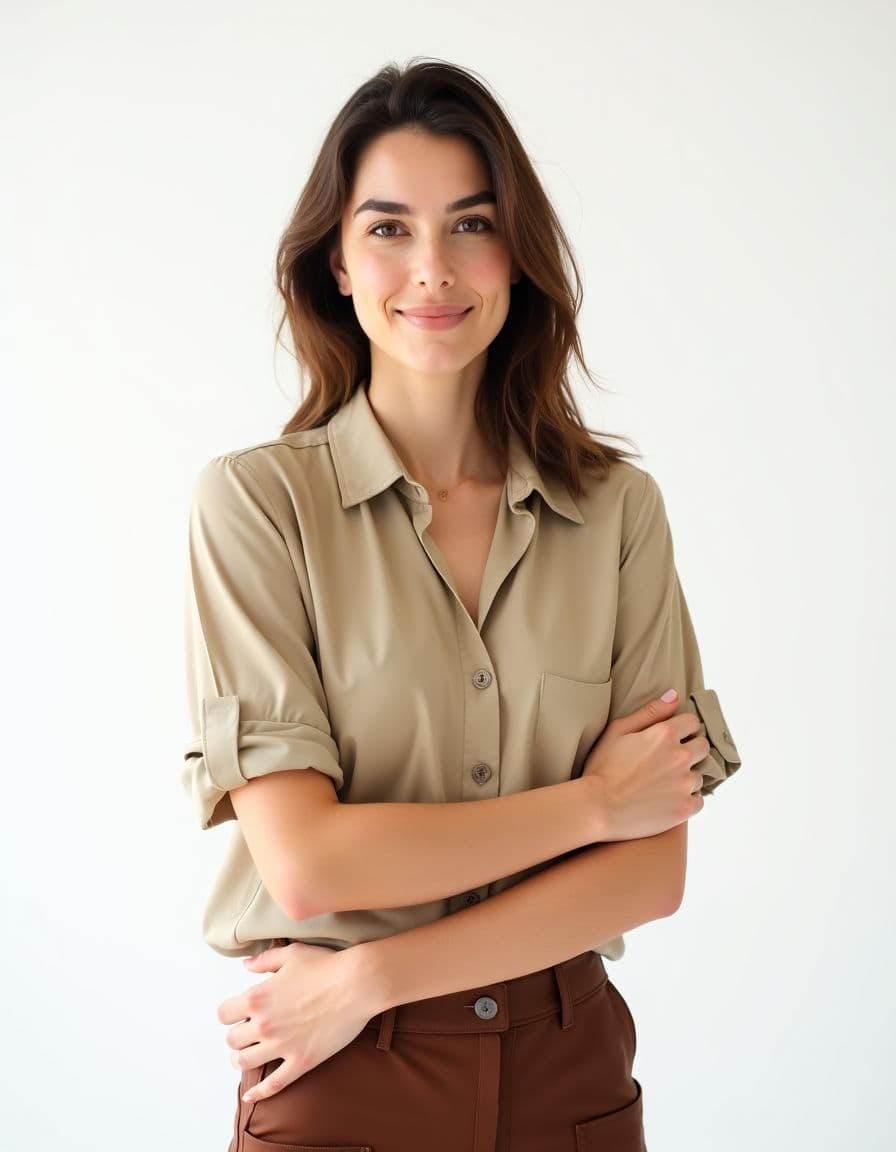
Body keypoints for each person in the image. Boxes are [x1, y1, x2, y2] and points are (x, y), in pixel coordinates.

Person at [181, 57, 742, 1152]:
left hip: (568, 1070)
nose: (431, 268)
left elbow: (652, 869)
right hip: (339, 1082)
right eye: (388, 228)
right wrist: (589, 806)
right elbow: (308, 866)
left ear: (516, 256)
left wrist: (371, 975)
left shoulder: (617, 513)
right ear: (334, 263)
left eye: (470, 224)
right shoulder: (258, 507)